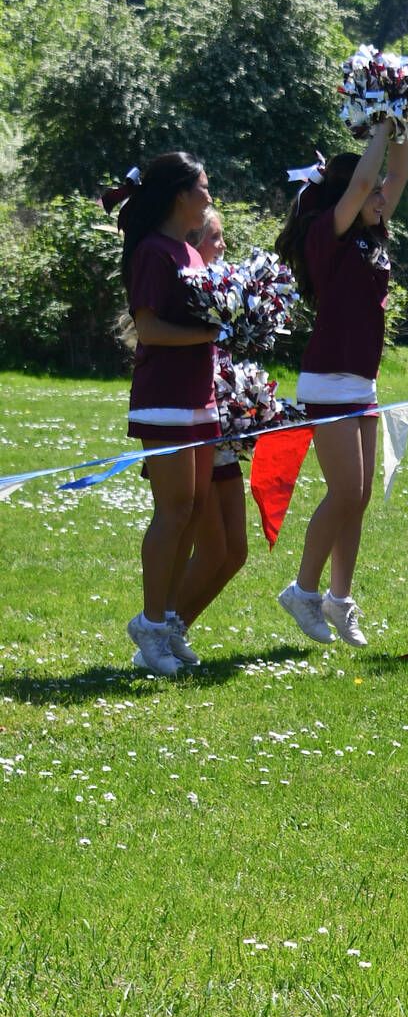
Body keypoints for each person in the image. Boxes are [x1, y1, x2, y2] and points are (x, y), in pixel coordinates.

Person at [274, 121, 408, 649]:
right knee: (345, 491)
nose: (381, 195)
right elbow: (362, 185)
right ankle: (302, 591)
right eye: (371, 189)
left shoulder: (373, 232)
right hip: (328, 377)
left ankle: (339, 597)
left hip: (362, 380)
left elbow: (395, 171)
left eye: (379, 191)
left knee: (359, 499)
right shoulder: (325, 233)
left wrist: (400, 120)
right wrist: (377, 124)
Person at [118, 153, 220, 676]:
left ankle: (169, 622)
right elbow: (151, 329)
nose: (209, 195)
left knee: (195, 509)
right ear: (180, 194)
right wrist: (211, 334)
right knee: (174, 510)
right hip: (164, 399)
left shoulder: (189, 251)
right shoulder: (154, 252)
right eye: (203, 187)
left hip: (199, 396)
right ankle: (151, 624)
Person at [167, 208, 250, 650]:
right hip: (194, 427)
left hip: (223, 433)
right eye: (216, 238)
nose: (222, 247)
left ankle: (173, 628)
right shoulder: (186, 296)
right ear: (194, 245)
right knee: (214, 550)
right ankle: (158, 631)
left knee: (235, 552)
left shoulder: (223, 297)